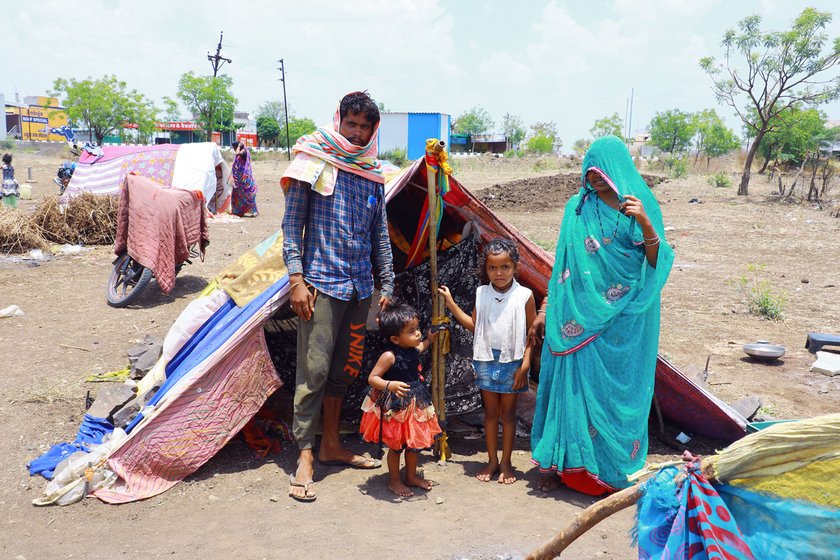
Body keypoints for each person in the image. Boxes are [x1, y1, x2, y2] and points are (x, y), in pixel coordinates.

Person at [529, 135, 673, 496]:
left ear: (618, 169)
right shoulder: (576, 208)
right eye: (589, 171)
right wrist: (546, 308)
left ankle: (608, 470)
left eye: (601, 171)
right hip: (573, 318)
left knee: (611, 396)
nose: (593, 178)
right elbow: (562, 265)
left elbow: (657, 264)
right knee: (570, 390)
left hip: (622, 324)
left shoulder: (640, 206)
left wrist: (645, 223)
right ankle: (560, 466)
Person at [281, 91, 394, 502]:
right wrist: (296, 279)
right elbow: (292, 226)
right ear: (339, 120)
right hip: (320, 285)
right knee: (312, 372)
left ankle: (331, 443)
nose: (358, 133)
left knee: (344, 370)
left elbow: (379, 234)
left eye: (366, 127)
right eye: (352, 124)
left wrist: (388, 284)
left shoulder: (371, 172)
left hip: (360, 288)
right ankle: (306, 454)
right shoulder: (314, 160)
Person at [439, 238, 536, 484]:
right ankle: (492, 460)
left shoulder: (525, 296)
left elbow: (531, 335)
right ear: (486, 269)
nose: (499, 273)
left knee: (509, 415)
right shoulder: (481, 293)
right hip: (485, 359)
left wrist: (525, 364)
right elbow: (475, 326)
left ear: (515, 267)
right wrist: (450, 304)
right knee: (490, 414)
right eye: (493, 268)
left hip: (512, 361)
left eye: (505, 267)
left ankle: (506, 462)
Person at [359, 302, 442, 497]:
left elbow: (422, 347)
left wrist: (429, 339)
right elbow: (372, 378)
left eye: (418, 329)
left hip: (415, 404)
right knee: (396, 447)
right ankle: (394, 480)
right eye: (412, 331)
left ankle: (411, 476)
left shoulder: (413, 349)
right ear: (396, 339)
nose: (418, 334)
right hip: (396, 408)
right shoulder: (389, 356)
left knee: (413, 446)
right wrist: (390, 385)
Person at [229, 141, 258, 217]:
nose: (234, 149)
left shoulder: (244, 152)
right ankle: (238, 211)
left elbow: (237, 153)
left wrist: (239, 146)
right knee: (237, 194)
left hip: (244, 178)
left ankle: (253, 211)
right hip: (238, 178)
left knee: (247, 194)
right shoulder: (241, 151)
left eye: (234, 147)